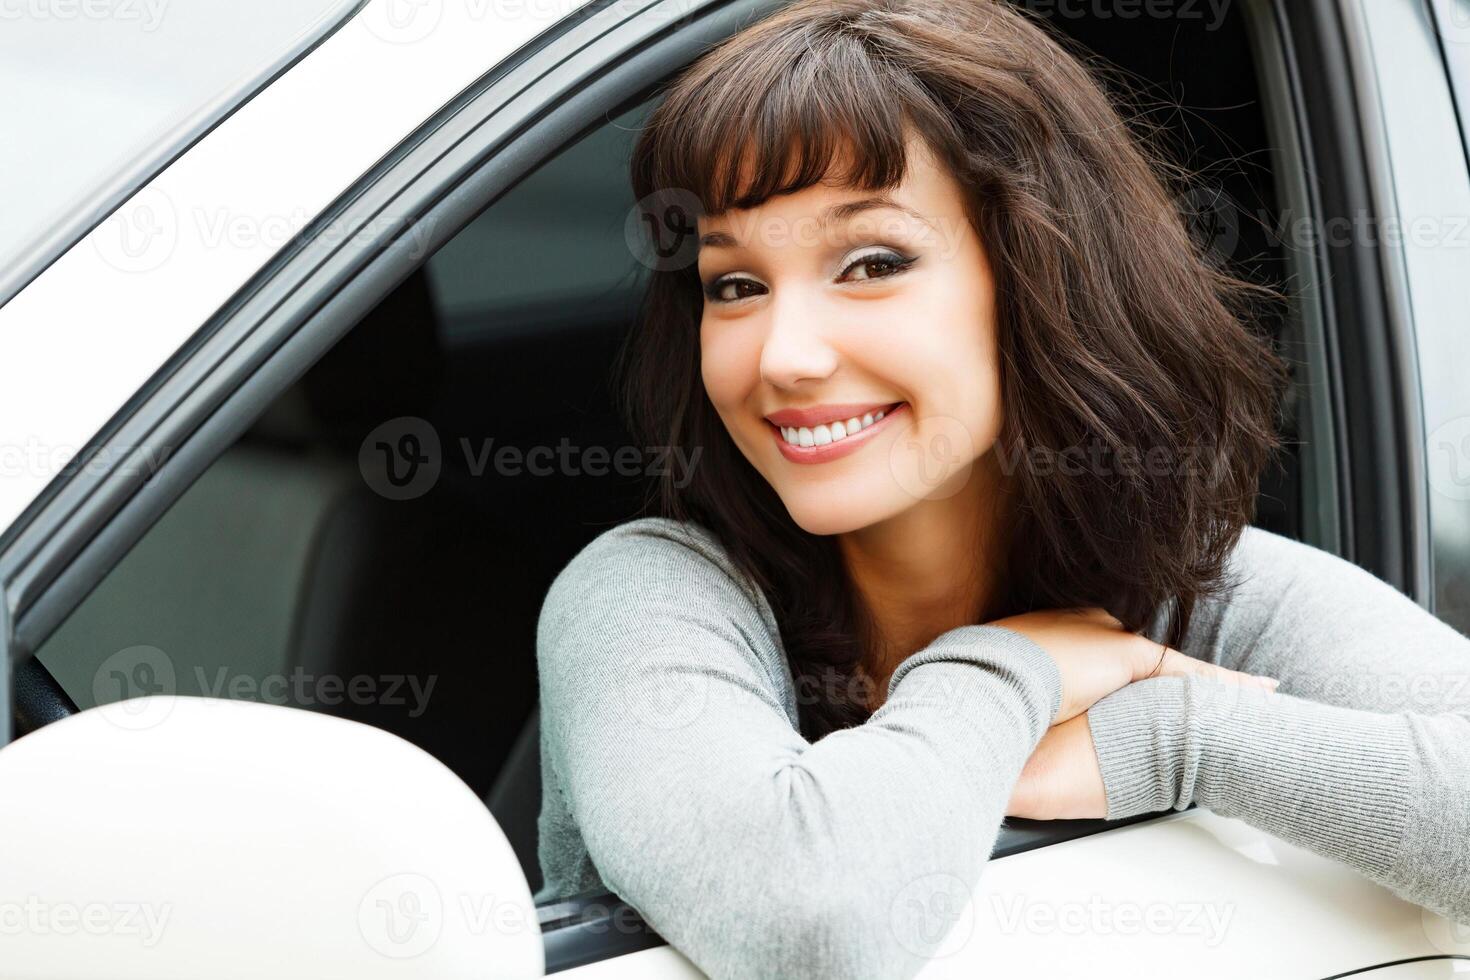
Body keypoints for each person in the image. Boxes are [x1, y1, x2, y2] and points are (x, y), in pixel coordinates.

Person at [533, 0, 1470, 975]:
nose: (785, 354)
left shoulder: (1199, 598)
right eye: (735, 285)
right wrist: (1013, 665)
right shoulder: (648, 595)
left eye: (872, 262)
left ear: (1039, 278)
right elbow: (811, 919)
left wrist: (1178, 736)